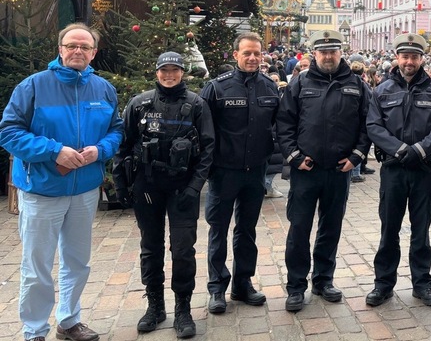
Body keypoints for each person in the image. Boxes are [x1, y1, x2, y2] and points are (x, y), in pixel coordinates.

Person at [0, 23, 123, 341]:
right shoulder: (33, 87)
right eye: (72, 45)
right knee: (37, 265)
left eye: (85, 47)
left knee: (77, 261)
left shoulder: (104, 89)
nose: (78, 51)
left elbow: (117, 131)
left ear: (94, 53)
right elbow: (9, 133)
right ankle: (34, 330)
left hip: (84, 191)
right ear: (60, 49)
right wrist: (54, 151)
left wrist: (100, 150)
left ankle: (69, 321)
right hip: (42, 190)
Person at [112, 52, 214, 338]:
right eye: (164, 70)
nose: (169, 75)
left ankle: (183, 308)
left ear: (183, 72)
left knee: (183, 249)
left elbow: (207, 150)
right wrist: (121, 184)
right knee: (151, 246)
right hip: (148, 186)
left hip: (183, 187)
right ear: (156, 72)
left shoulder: (196, 104)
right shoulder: (139, 104)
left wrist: (195, 187)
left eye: (175, 70)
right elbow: (123, 146)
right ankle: (155, 305)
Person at [278, 30, 371, 312]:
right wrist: (294, 157)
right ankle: (296, 286)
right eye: (323, 51)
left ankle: (323, 280)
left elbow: (368, 124)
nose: (328, 56)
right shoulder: (300, 82)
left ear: (340, 52)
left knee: (330, 229)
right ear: (314, 54)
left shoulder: (356, 84)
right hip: (306, 171)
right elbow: (284, 122)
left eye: (333, 51)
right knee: (299, 229)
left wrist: (356, 156)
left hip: (338, 171)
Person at [364, 34, 431, 307]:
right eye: (405, 56)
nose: (409, 61)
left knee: (421, 230)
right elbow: (374, 126)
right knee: (389, 229)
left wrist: (421, 150)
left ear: (421, 59)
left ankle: (422, 284)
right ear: (397, 58)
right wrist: (401, 150)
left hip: (423, 170)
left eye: (414, 56)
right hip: (393, 169)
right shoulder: (383, 90)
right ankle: (383, 284)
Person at [200, 32, 280, 314]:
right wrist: (207, 169)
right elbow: (202, 131)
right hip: (224, 172)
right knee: (218, 230)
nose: (253, 58)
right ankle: (217, 288)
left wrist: (274, 163)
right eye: (247, 53)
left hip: (255, 171)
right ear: (235, 55)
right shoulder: (216, 89)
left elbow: (277, 127)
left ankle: (243, 283)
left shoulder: (270, 88)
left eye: (257, 53)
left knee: (247, 230)